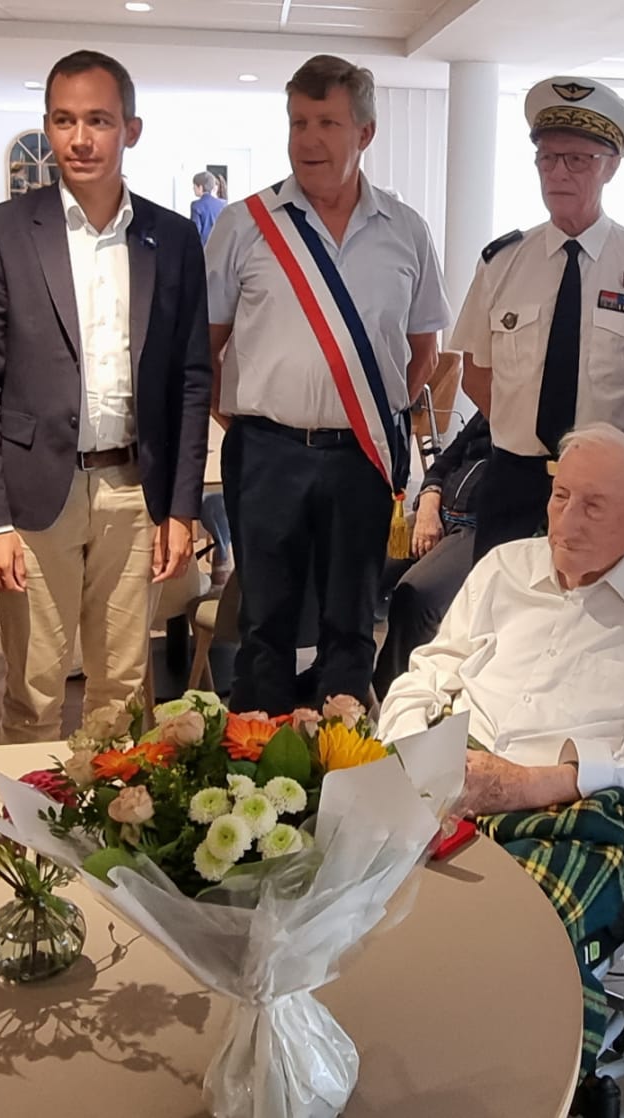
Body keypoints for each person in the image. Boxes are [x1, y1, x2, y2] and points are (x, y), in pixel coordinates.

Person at [380, 422, 624, 1102]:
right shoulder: (502, 568)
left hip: (579, 797)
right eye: (561, 496)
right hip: (454, 763)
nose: (566, 521)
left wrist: (539, 783)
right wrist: (408, 752)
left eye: (593, 505)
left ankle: (526, 1086)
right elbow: (428, 672)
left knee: (516, 937)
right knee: (343, 885)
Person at [0, 50, 213, 743]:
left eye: (98, 120)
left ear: (130, 129)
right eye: (64, 120)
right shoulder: (2, 232)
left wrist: (182, 508)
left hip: (134, 489)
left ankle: (113, 814)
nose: (79, 139)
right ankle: (26, 812)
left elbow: (192, 379)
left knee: (122, 694)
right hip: (34, 492)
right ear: (47, 126)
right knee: (33, 691)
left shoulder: (172, 237)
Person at [205, 53, 449, 714]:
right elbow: (206, 346)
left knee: (351, 621)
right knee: (265, 621)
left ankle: (339, 755)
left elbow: (423, 350)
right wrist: (256, 419)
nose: (308, 139)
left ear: (364, 133)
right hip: (267, 451)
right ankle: (258, 756)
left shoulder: (406, 230)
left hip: (361, 453)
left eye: (327, 123)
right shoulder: (244, 225)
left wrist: (373, 412)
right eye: (298, 122)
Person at [451, 76, 624, 561]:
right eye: (548, 158)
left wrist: (611, 454)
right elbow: (476, 374)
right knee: (506, 602)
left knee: (607, 603)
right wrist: (521, 428)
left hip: (611, 485)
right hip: (515, 479)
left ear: (611, 166)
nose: (559, 173)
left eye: (578, 159)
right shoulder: (502, 262)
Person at [370, 414, 491, 700]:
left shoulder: (537, 433)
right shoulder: (490, 411)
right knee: (361, 569)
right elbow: (444, 461)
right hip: (436, 512)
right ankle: (339, 679)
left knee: (415, 597)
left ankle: (388, 698)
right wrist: (428, 501)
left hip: (479, 531)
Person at [189, 170, 227, 245]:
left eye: (194, 186)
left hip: (205, 247)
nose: (193, 188)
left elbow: (195, 231)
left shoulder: (196, 205)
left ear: (200, 187)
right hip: (221, 245)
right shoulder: (223, 204)